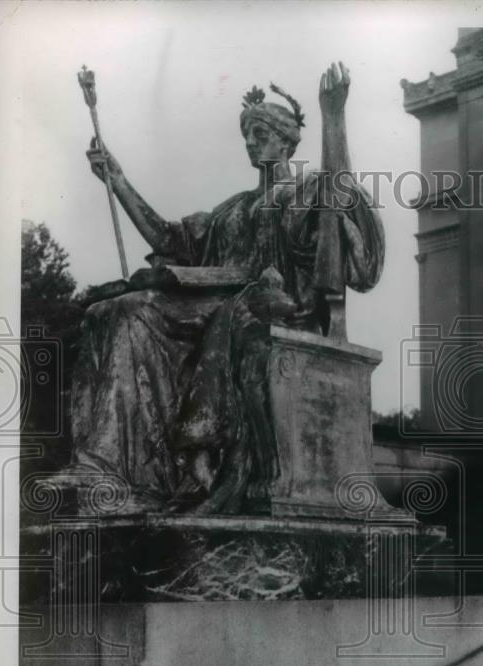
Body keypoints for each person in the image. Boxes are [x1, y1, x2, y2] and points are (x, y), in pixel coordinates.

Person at [70, 63, 384, 513]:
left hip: (280, 309)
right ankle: (108, 468)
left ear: (287, 140)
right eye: (248, 135)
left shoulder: (307, 192)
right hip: (215, 305)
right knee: (118, 311)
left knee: (234, 311)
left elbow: (343, 199)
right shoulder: (234, 209)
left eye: (261, 133)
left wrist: (333, 119)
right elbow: (168, 239)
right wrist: (118, 181)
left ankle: (200, 448)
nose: (252, 143)